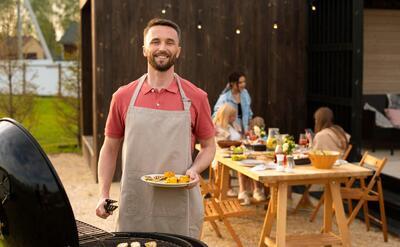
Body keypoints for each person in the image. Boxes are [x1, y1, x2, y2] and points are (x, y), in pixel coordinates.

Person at [95, 18, 216, 239]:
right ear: (144, 49)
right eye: (155, 41)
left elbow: (209, 146)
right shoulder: (122, 96)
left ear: (178, 51)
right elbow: (110, 148)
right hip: (135, 204)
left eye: (170, 42)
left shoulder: (197, 97)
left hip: (180, 207)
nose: (162, 48)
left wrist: (195, 169)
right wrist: (103, 193)